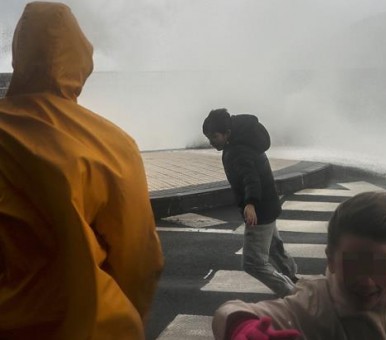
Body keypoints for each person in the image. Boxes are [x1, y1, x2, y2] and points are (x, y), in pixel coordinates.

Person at [0, 2, 163, 339]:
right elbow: (138, 260)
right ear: (79, 57)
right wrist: (129, 316)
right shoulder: (112, 145)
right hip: (93, 325)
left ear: (18, 54)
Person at [212, 191, 386, 340]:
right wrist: (243, 329)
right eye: (353, 264)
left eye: (378, 266)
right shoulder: (313, 305)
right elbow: (229, 311)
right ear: (330, 259)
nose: (365, 282)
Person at [203, 108, 298, 297]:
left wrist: (250, 203)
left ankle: (292, 294)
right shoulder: (244, 139)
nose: (212, 142)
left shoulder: (237, 151)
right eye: (208, 137)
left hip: (260, 211)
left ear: (227, 133)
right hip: (268, 206)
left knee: (253, 263)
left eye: (214, 136)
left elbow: (250, 178)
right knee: (273, 247)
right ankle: (293, 278)